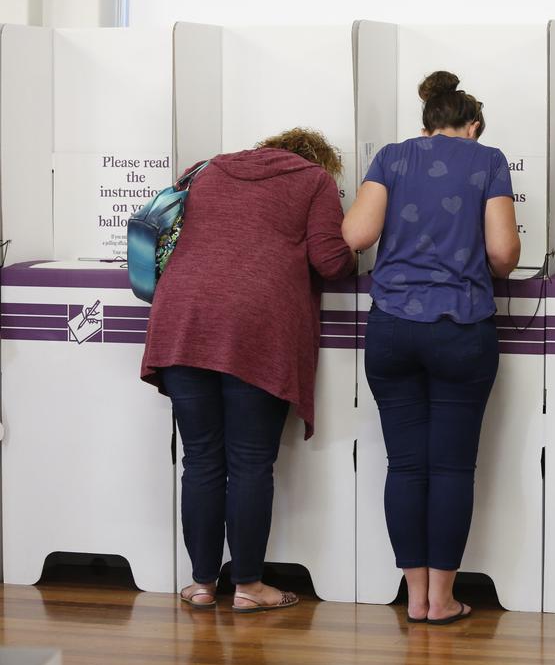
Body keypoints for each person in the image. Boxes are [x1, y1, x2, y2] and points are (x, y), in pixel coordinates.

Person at [141, 128, 355, 612]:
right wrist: (354, 248)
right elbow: (330, 260)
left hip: (182, 320)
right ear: (314, 159)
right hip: (255, 327)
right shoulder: (314, 181)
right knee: (250, 463)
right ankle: (249, 586)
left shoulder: (207, 169)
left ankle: (200, 585)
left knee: (199, 459)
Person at [342, 71, 520, 625]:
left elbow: (355, 237)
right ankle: (441, 601)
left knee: (405, 465)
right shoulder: (487, 159)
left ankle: (414, 595)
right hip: (460, 328)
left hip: (392, 327)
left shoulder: (392, 158)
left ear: (426, 123)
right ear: (472, 125)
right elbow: (503, 254)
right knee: (450, 469)